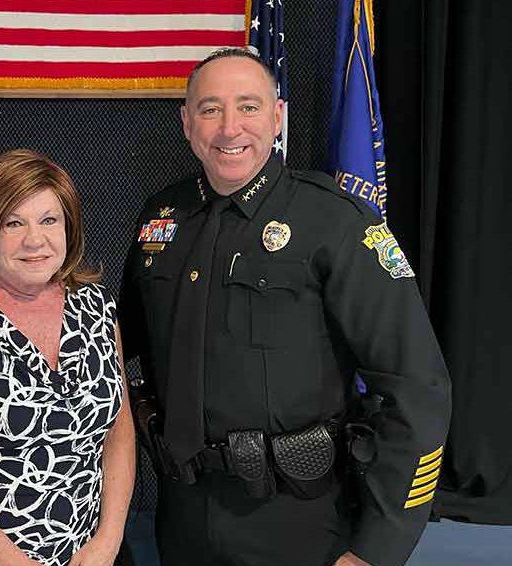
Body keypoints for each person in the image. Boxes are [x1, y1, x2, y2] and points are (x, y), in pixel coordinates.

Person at [119, 48, 451, 566]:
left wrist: (376, 549)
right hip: (182, 517)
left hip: (301, 522)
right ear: (187, 123)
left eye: (248, 107)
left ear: (277, 117)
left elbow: (418, 388)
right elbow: (114, 351)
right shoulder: (162, 217)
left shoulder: (334, 221)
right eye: (210, 109)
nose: (230, 128)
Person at [0, 149, 135, 566]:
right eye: (14, 223)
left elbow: (118, 429)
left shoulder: (97, 306)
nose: (35, 240)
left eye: (49, 220)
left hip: (91, 556)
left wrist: (109, 539)